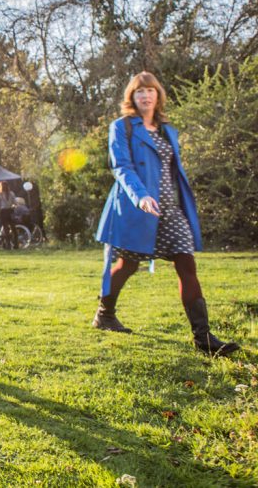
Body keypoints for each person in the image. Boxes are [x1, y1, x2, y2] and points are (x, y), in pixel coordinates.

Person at [94, 71, 240, 357]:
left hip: (170, 209)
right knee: (127, 265)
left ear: (158, 95)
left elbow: (173, 171)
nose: (145, 95)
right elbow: (121, 167)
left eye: (150, 90)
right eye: (139, 91)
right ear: (132, 97)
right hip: (135, 208)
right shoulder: (121, 127)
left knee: (186, 262)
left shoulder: (167, 130)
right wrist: (141, 196)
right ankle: (104, 314)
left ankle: (203, 339)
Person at [0, 182, 17, 249]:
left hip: (3, 212)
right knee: (13, 228)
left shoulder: (0, 194)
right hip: (10, 211)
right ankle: (16, 244)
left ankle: (8, 245)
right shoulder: (12, 193)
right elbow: (15, 203)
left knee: (6, 228)